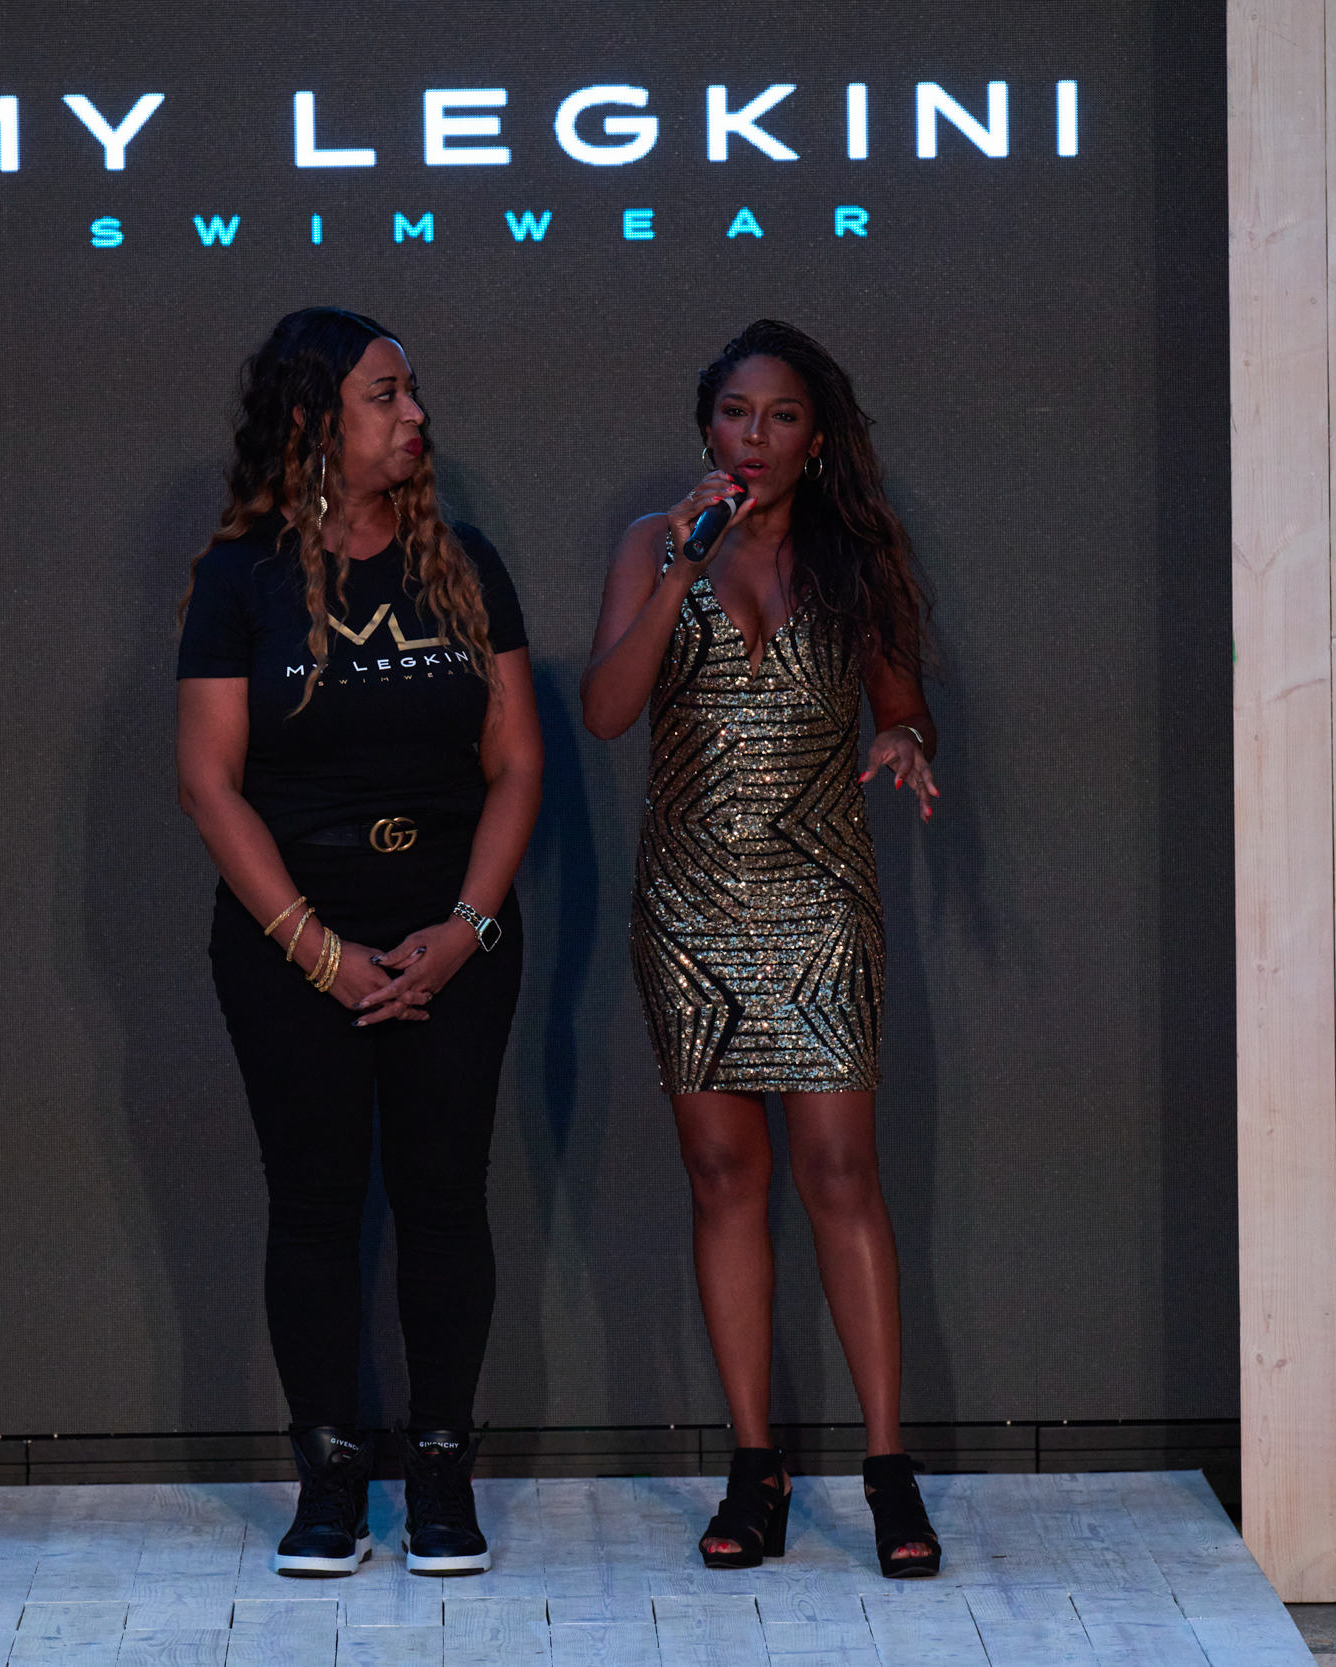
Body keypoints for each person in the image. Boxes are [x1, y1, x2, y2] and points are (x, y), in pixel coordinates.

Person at [176, 307, 543, 1578]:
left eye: (412, 391)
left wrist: (463, 929)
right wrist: (321, 953)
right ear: (312, 420)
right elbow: (209, 781)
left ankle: (439, 1466)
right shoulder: (241, 578)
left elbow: (516, 764)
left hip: (455, 934)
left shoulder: (466, 563)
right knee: (316, 1203)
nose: (415, 415)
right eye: (385, 394)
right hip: (290, 944)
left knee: (445, 1197)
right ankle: (330, 1473)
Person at [580, 319, 944, 1578]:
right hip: (688, 901)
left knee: (839, 1167)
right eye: (737, 412)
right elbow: (605, 710)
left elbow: (902, 703)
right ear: (706, 427)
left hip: (820, 894)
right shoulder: (652, 541)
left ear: (816, 439)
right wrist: (679, 567)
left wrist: (903, 739)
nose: (756, 434)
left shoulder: (856, 556)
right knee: (722, 1173)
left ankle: (887, 1467)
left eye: (782, 416)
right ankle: (754, 1464)